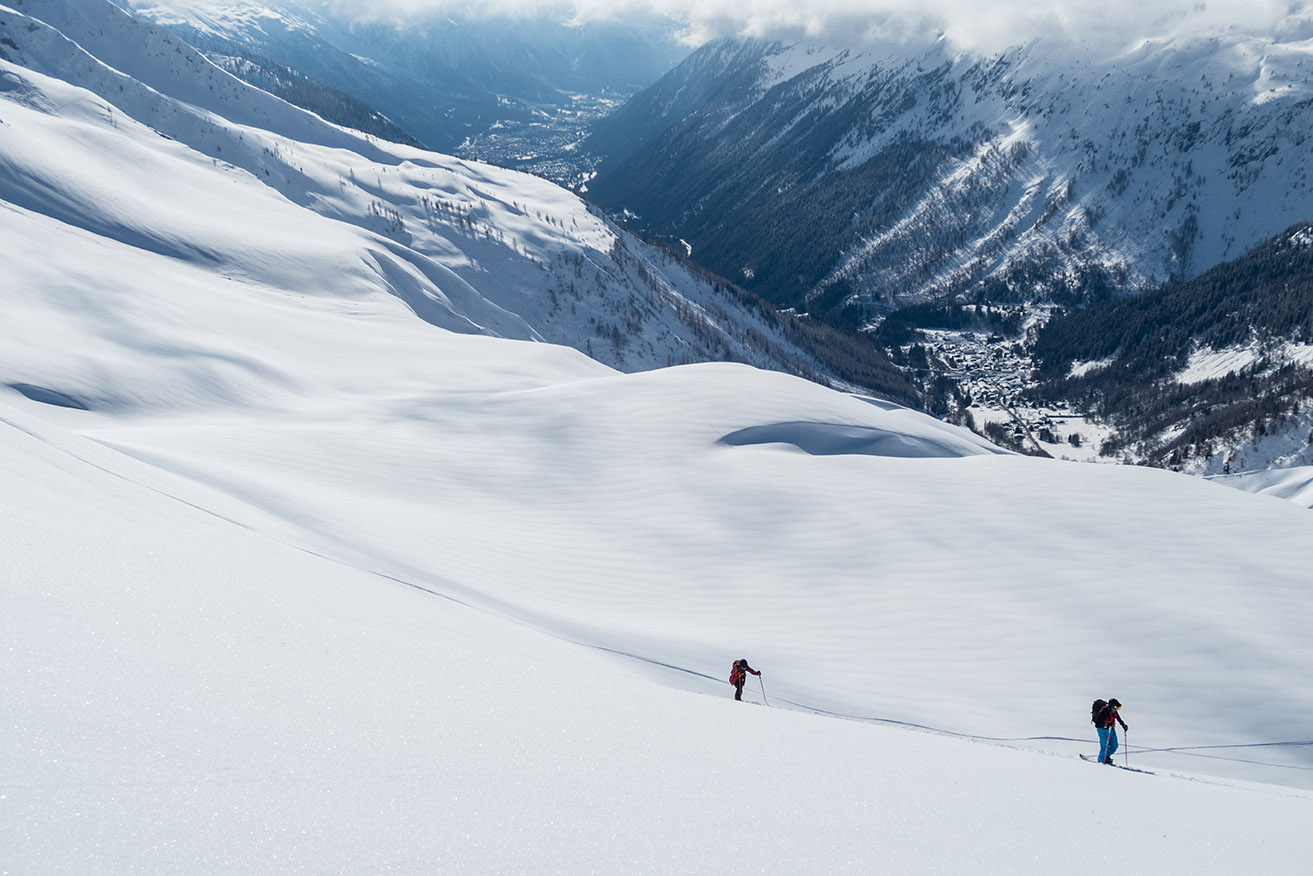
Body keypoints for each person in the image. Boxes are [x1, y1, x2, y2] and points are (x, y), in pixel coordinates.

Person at [1094, 698, 1129, 764]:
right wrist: (1106, 724)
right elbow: (1097, 723)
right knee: (1105, 747)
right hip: (1102, 730)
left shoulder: (1114, 711)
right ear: (1112, 706)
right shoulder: (1104, 711)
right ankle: (1101, 761)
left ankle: (1106, 757)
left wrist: (1123, 725)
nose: (1117, 710)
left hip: (1111, 730)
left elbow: (1118, 719)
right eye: (1117, 708)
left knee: (1114, 746)